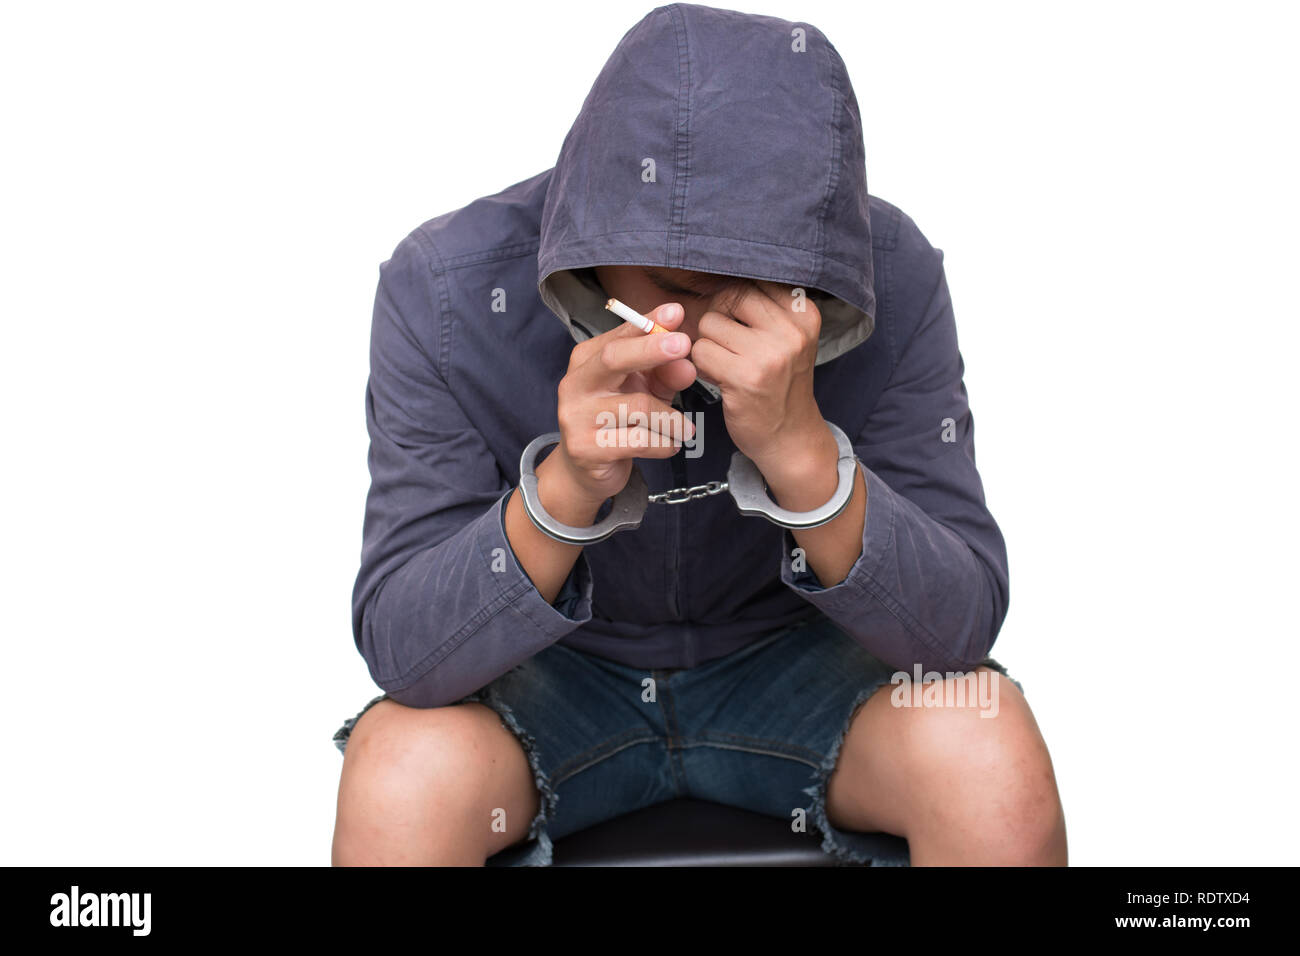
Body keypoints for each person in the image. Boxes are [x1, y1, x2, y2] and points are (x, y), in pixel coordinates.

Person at [330, 2, 1067, 866]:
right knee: (398, 771)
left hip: (799, 670)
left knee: (986, 744)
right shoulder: (445, 288)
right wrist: (566, 489)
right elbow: (405, 655)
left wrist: (803, 455)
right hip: (548, 679)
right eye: (676, 279)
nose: (710, 315)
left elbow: (957, 637)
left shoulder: (891, 276)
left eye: (758, 280)